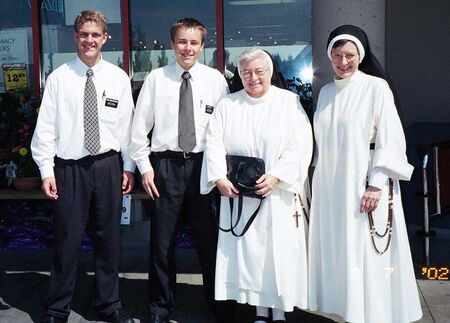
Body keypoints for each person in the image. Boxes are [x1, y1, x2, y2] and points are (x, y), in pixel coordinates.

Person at [308, 25, 423, 323]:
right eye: (337, 55)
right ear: (329, 57)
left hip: (365, 183)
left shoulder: (376, 87)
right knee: (344, 253)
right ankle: (350, 312)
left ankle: (375, 315)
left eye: (349, 55)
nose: (343, 62)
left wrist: (376, 184)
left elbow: (390, 138)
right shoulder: (326, 92)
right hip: (333, 187)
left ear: (360, 55)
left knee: (369, 254)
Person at [31, 10, 135, 323]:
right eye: (83, 34)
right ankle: (57, 307)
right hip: (69, 170)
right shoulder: (59, 78)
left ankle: (109, 304)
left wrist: (128, 167)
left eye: (95, 35)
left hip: (107, 167)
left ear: (105, 38)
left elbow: (127, 127)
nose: (89, 40)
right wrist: (46, 171)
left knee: (109, 239)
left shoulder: (118, 77)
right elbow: (45, 129)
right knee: (67, 240)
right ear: (75, 37)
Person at [201, 48, 312, 323]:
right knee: (250, 256)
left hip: (276, 194)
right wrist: (219, 178)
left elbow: (301, 145)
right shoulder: (228, 105)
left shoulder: (288, 102)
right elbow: (213, 142)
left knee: (276, 255)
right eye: (246, 72)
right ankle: (259, 311)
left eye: (259, 71)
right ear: (239, 75)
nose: (253, 78)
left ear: (270, 72)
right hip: (240, 195)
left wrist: (277, 176)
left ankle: (279, 312)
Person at [130, 18, 229, 323]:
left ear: (202, 45)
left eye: (194, 42)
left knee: (210, 240)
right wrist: (145, 169)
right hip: (166, 167)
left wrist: (221, 172)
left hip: (204, 167)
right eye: (182, 42)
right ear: (172, 44)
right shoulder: (156, 79)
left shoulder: (216, 81)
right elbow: (138, 131)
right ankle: (160, 305)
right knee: (161, 242)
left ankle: (218, 304)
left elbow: (226, 131)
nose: (188, 48)